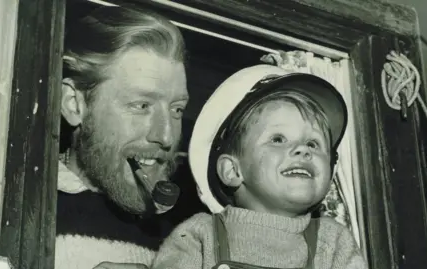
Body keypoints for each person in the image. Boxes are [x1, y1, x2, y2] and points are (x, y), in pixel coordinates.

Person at [152, 64, 368, 269]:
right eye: (278, 139)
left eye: (313, 143)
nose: (303, 150)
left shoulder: (332, 242)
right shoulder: (199, 235)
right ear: (232, 171)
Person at [56, 6, 188, 269]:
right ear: (74, 104)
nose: (166, 136)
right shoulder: (13, 206)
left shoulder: (188, 240)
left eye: (177, 110)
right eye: (141, 105)